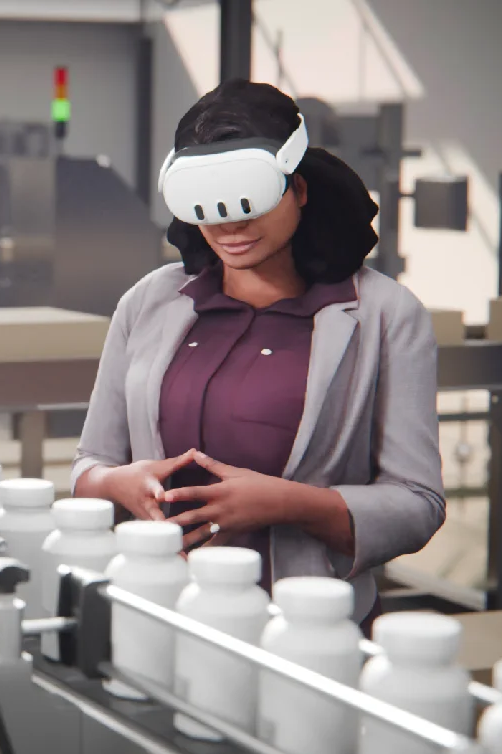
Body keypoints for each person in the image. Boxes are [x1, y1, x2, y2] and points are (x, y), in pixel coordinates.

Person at [72, 80, 444, 628]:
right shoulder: (149, 302)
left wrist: (289, 504)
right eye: (208, 205)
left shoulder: (386, 314)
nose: (230, 226)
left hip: (307, 625)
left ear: (298, 188)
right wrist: (117, 485)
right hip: (160, 608)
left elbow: (418, 503)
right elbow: (90, 464)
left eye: (249, 199)